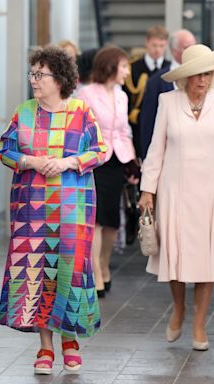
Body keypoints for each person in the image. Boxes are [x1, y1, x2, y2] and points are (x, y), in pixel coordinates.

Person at [0, 45, 107, 375]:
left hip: (73, 208)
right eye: (32, 73)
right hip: (31, 210)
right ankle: (45, 347)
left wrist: (67, 162)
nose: (34, 80)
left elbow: (99, 151)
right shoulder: (24, 112)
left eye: (40, 74)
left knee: (69, 272)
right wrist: (29, 161)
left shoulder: (81, 112)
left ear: (59, 78)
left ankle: (70, 340)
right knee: (37, 274)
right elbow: (5, 149)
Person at [138, 44, 214, 351]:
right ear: (185, 77)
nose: (203, 80)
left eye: (208, 74)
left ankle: (199, 324)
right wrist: (148, 190)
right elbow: (156, 148)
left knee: (207, 260)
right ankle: (179, 308)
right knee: (175, 256)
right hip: (175, 189)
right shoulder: (167, 101)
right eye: (198, 74)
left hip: (211, 191)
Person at [76, 45, 139, 297]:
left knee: (112, 219)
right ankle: (93, 273)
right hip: (95, 161)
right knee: (97, 219)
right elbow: (79, 129)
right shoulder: (86, 93)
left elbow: (124, 131)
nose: (126, 72)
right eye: (124, 66)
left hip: (117, 161)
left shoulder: (123, 95)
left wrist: (133, 161)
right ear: (111, 67)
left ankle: (104, 263)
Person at [138, 29, 196, 160]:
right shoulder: (156, 81)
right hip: (168, 155)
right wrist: (149, 161)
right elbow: (149, 124)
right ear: (174, 50)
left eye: (194, 46)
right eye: (187, 47)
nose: (193, 50)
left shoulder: (204, 77)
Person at [123, 25, 170, 157]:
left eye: (161, 46)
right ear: (147, 43)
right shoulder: (132, 68)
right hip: (139, 126)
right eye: (154, 45)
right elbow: (126, 97)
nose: (157, 50)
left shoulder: (170, 68)